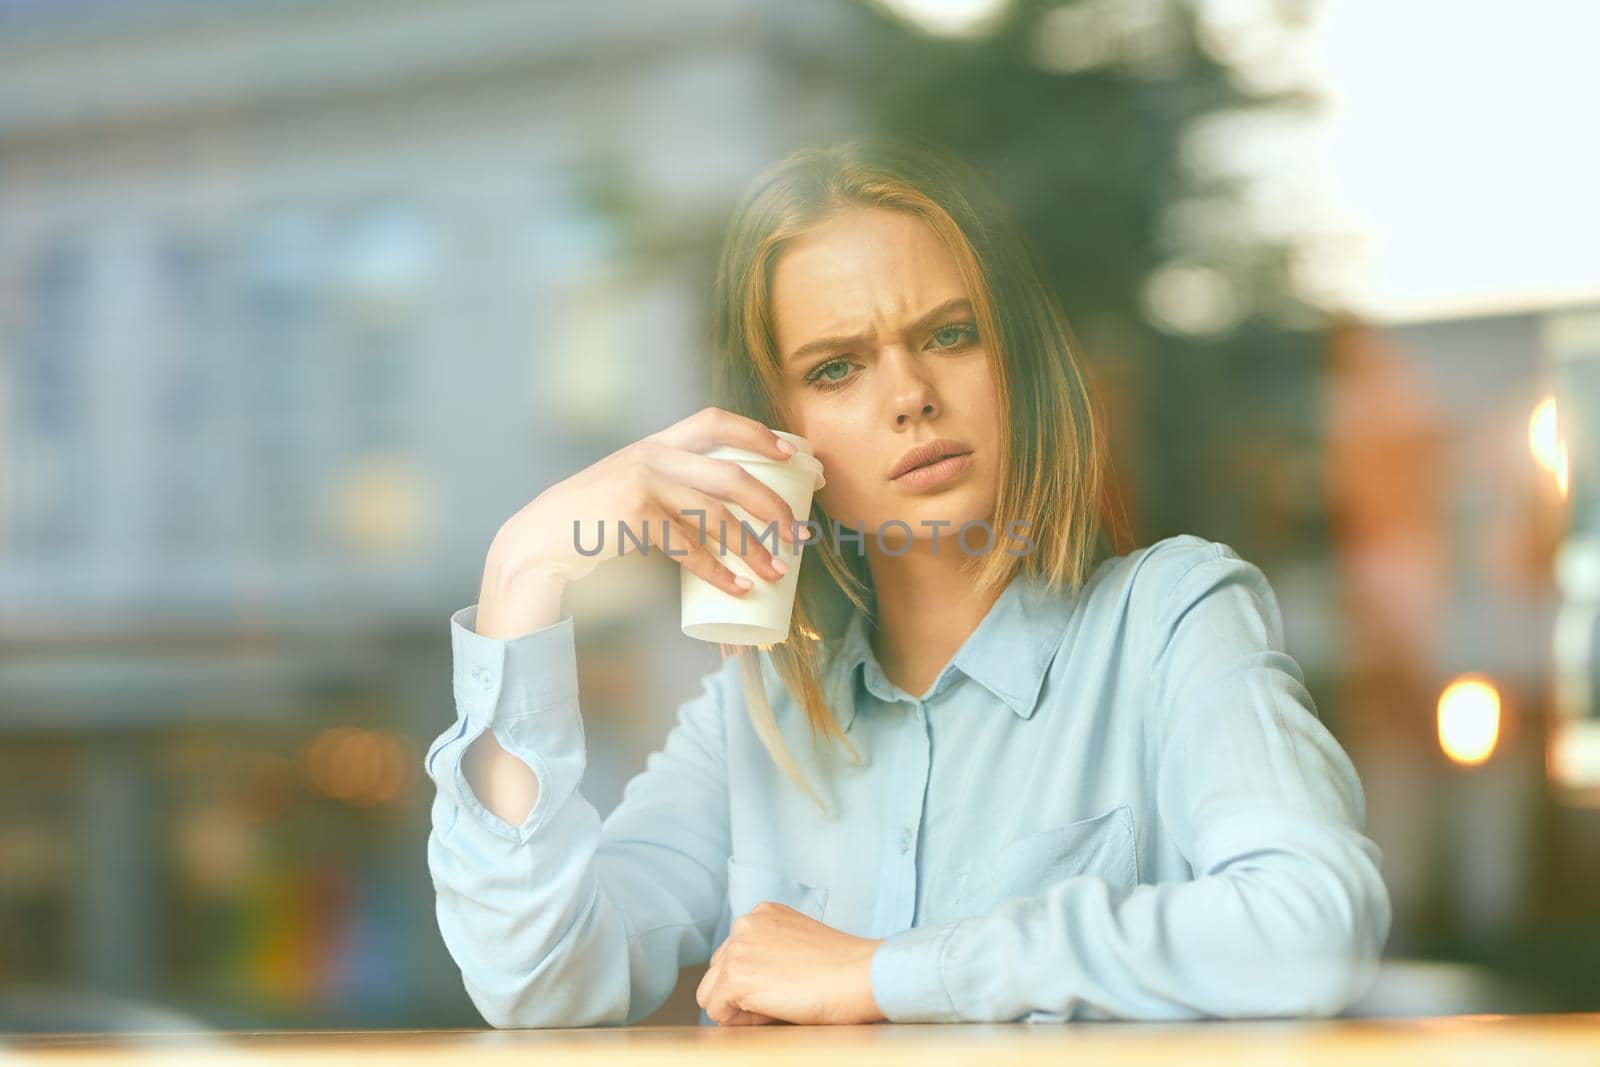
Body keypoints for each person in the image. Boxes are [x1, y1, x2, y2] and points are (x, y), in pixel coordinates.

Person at [423, 137, 1392, 1027]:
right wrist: (523, 568)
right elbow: (537, 978)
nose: (909, 395)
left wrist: (882, 970)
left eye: (948, 334)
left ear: (1015, 359)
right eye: (837, 366)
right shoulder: (757, 715)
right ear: (776, 434)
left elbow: (1309, 928)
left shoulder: (1171, 619)